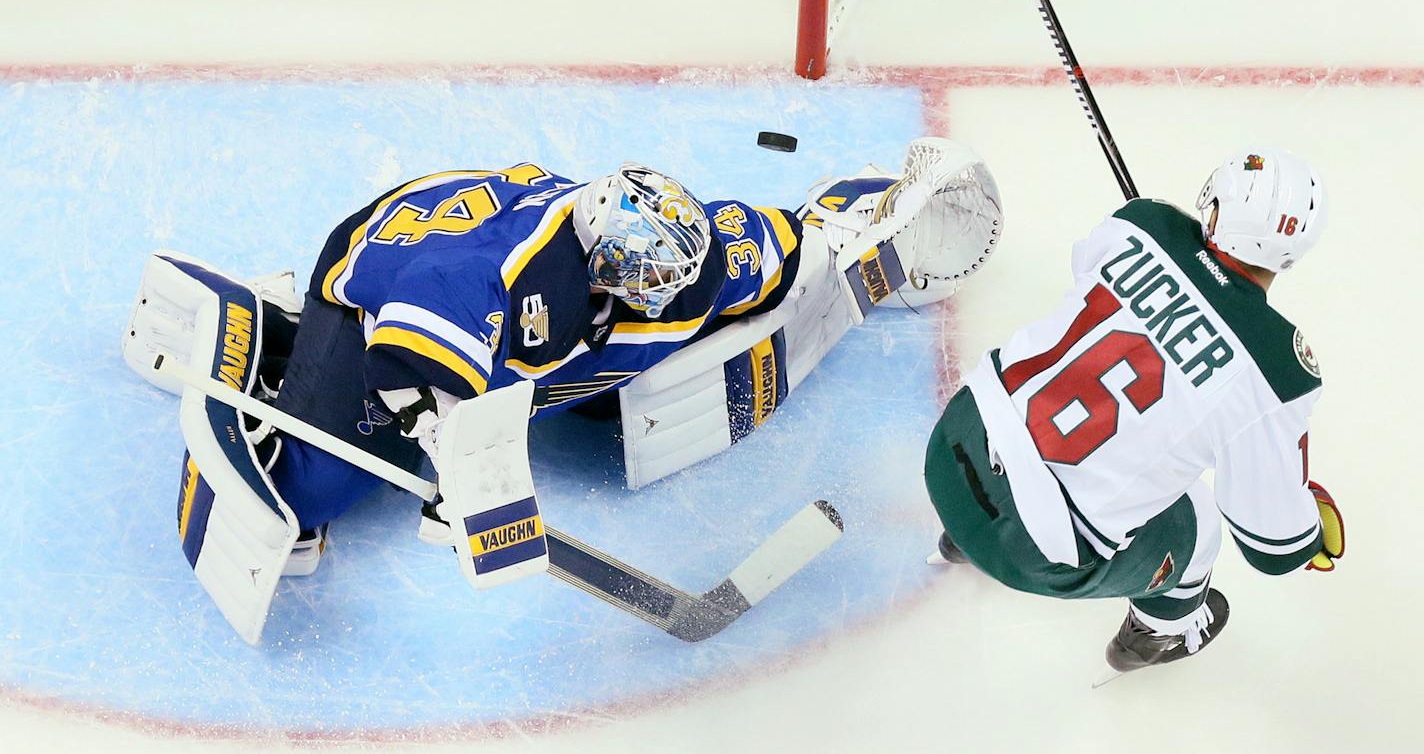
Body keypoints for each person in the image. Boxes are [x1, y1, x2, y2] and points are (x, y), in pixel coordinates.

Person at [123, 142, 1004, 641]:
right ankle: (277, 338)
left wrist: (864, 236)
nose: (672, 303)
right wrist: (446, 452)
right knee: (316, 495)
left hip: (495, 343)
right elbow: (410, 364)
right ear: (605, 274)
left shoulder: (689, 260)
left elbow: (778, 254)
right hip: (375, 290)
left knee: (645, 375)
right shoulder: (503, 277)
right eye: (650, 290)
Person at [923, 147, 1345, 675]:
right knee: (1201, 524)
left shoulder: (1142, 222)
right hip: (1025, 548)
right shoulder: (1278, 368)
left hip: (950, 445)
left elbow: (1091, 274)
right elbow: (1273, 547)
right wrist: (1304, 524)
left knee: (1032, 427)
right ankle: (1155, 637)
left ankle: (960, 535)